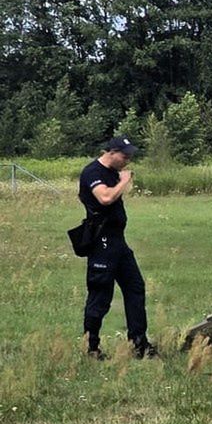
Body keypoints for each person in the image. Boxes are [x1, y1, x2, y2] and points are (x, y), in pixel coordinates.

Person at [78, 136, 157, 359]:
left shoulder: (112, 173)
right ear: (111, 152)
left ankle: (139, 343)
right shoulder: (92, 172)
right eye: (125, 156)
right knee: (100, 295)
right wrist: (123, 182)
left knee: (135, 288)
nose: (127, 161)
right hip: (101, 243)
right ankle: (90, 347)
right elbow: (104, 198)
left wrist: (119, 179)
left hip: (118, 242)